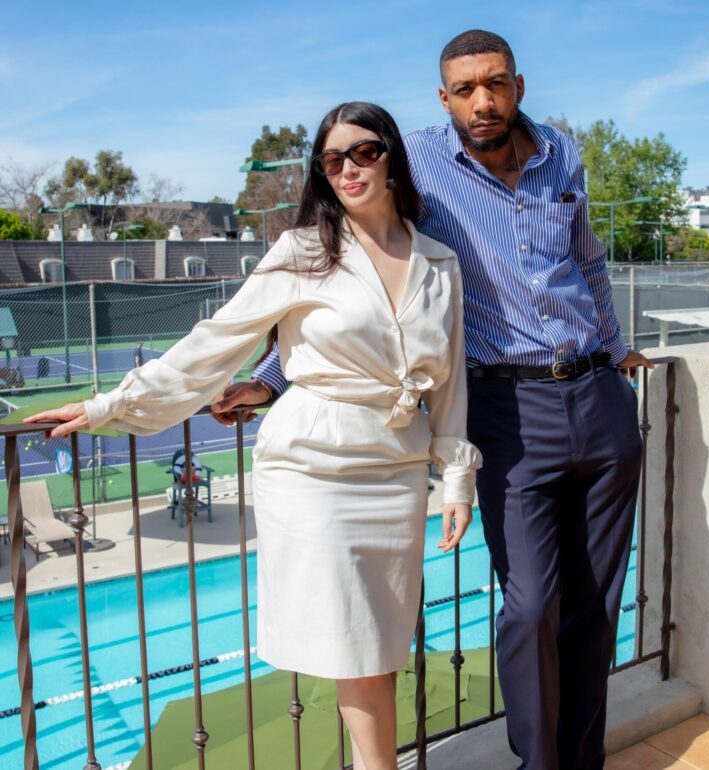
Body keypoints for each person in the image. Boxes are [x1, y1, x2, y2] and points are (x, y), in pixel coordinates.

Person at [222, 30, 653, 770]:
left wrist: (616, 352)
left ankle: (584, 760)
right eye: (465, 89)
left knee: (595, 607)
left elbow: (589, 263)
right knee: (530, 607)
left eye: (495, 84)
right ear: (443, 96)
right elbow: (349, 274)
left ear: (518, 83)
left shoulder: (562, 154)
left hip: (599, 395)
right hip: (507, 411)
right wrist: (272, 376)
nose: (482, 102)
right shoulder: (414, 158)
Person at [25, 101, 480, 770]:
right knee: (356, 645)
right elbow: (215, 343)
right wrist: (107, 407)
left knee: (383, 641)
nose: (348, 169)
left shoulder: (439, 261)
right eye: (331, 160)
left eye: (364, 152)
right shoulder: (302, 250)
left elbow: (451, 381)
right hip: (314, 469)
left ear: (391, 158)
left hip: (399, 472)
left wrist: (457, 477)